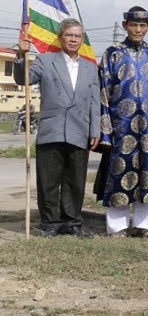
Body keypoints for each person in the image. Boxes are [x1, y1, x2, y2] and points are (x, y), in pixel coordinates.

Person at [14, 19, 100, 238]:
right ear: (61, 37)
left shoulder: (90, 68)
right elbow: (23, 79)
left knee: (75, 180)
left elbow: (94, 102)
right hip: (51, 129)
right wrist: (20, 56)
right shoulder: (45, 61)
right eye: (69, 35)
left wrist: (95, 130)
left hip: (79, 130)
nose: (73, 39)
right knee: (48, 180)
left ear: (82, 39)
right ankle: (50, 222)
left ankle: (72, 222)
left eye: (77, 36)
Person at [95, 6, 148, 239]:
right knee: (119, 172)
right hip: (121, 126)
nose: (138, 29)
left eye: (142, 25)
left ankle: (145, 226)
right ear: (125, 25)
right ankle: (117, 227)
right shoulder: (112, 53)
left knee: (147, 173)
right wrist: (105, 130)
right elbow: (103, 92)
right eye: (133, 25)